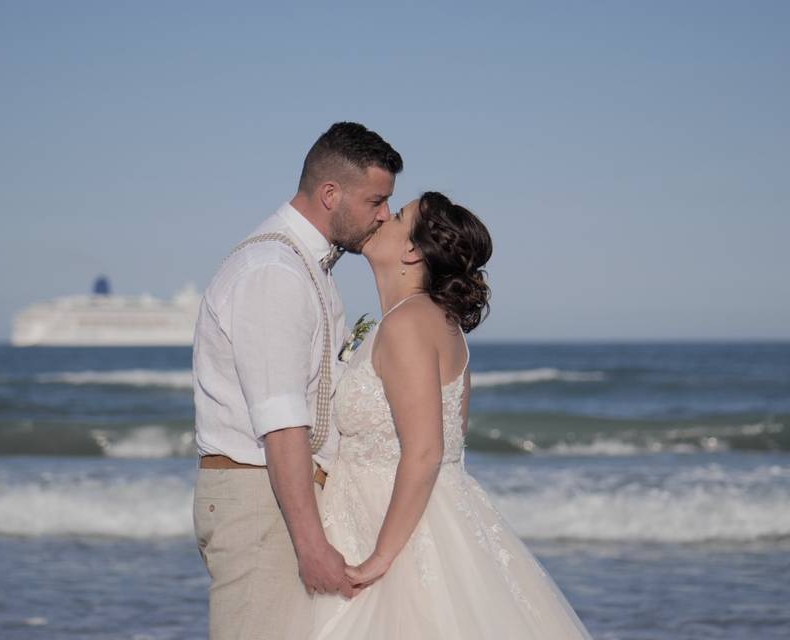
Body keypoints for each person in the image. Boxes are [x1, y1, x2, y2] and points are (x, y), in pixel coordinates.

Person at [306, 192, 593, 639]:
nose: (382, 215)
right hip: (419, 517)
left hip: (395, 533)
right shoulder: (438, 322)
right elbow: (454, 443)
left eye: (397, 215)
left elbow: (426, 452)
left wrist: (382, 557)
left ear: (413, 250)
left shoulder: (407, 324)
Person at [192, 122, 403, 639]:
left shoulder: (306, 267)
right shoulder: (273, 272)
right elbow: (281, 420)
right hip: (262, 498)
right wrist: (311, 545)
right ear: (331, 194)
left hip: (277, 496)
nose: (385, 215)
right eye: (376, 200)